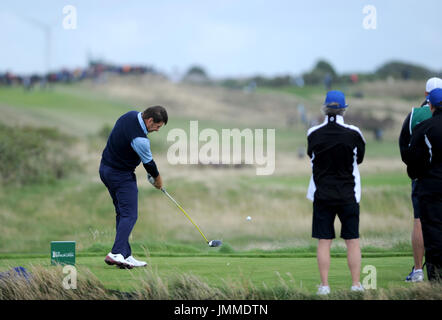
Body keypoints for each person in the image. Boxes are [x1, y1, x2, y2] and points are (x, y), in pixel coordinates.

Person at [306, 90, 366, 295]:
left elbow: (312, 157)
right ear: (344, 109)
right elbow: (359, 159)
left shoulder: (313, 133)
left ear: (324, 108)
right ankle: (356, 285)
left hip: (322, 194)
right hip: (348, 194)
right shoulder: (354, 133)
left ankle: (324, 286)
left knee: (324, 241)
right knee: (352, 240)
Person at [99, 106, 167, 269]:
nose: (157, 130)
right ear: (150, 120)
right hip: (120, 175)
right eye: (157, 126)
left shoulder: (129, 115)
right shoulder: (141, 140)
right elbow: (149, 164)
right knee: (130, 215)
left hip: (105, 169)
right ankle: (116, 253)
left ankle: (125, 255)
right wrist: (158, 180)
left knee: (122, 213)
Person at [399, 77, 442, 282]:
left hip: (425, 179)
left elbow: (405, 148)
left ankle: (418, 271)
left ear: (427, 96)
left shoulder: (415, 114)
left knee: (421, 221)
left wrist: (415, 172)